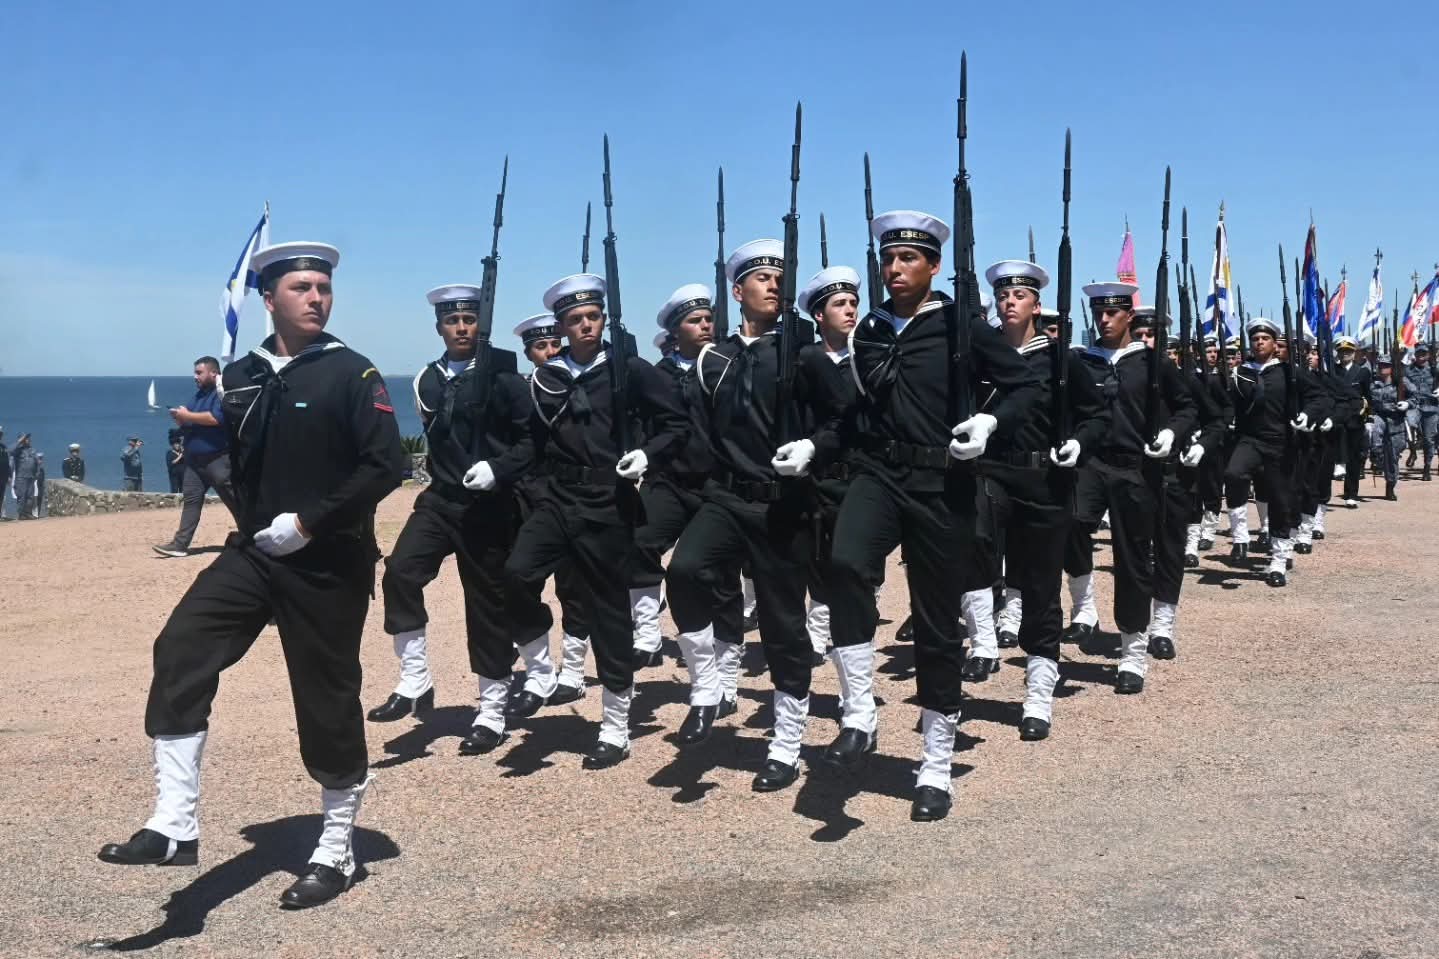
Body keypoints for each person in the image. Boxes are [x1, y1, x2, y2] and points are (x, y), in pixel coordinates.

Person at [97, 241, 406, 910]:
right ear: (269, 299)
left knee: (325, 698)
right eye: (301, 287)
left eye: (323, 287)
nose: (316, 297)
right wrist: (254, 518)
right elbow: (237, 457)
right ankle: (174, 823)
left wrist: (311, 523)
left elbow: (385, 465)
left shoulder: (353, 373)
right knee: (180, 647)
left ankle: (336, 847)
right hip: (256, 551)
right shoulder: (241, 373)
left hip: (328, 558)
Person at [826, 212, 1041, 821]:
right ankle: (860, 711)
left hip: (942, 482)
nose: (894, 270)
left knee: (936, 623)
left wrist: (989, 421)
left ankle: (935, 762)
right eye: (887, 260)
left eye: (908, 260)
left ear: (934, 267)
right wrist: (818, 447)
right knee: (843, 561)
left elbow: (1024, 385)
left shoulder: (960, 327)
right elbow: (856, 415)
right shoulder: (867, 330)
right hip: (880, 475)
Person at [665, 241, 847, 785]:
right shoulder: (712, 358)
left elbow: (842, 421)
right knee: (684, 571)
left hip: (782, 504)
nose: (771, 285)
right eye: (760, 278)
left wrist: (812, 448)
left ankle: (787, 740)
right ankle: (706, 685)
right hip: (726, 496)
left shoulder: (805, 353)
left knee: (782, 625)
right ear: (737, 291)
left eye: (779, 277)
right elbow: (701, 436)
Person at [504, 273, 685, 769]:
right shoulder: (547, 377)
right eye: (575, 320)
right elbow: (528, 443)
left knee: (608, 613)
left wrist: (647, 455)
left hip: (608, 502)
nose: (585, 325)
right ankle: (541, 672)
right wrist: (498, 469)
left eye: (592, 317)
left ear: (603, 319)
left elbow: (676, 423)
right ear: (561, 327)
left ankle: (615, 725)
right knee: (516, 575)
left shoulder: (629, 370)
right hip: (556, 499)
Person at [367, 285, 550, 758]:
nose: (462, 328)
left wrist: (499, 469)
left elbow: (531, 444)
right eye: (453, 321)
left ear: (480, 325)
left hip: (488, 506)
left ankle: (491, 710)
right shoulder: (427, 380)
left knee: (485, 605)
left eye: (470, 320)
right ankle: (415, 679)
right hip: (441, 499)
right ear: (439, 327)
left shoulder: (504, 379)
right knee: (401, 571)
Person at [958, 260, 1105, 741]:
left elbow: (1096, 414)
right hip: (991, 473)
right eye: (1002, 297)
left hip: (1044, 481)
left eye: (1018, 296)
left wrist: (1079, 442)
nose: (1008, 303)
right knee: (974, 542)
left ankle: (1038, 691)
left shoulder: (1061, 360)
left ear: (1036, 305)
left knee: (1041, 588)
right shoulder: (980, 354)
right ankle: (982, 642)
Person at [1067, 283, 1196, 691]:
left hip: (1135, 468)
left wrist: (1171, 434)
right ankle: (1085, 609)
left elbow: (1189, 407)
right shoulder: (1080, 362)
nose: (1103, 320)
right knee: (1070, 525)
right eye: (1098, 313)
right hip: (1089, 464)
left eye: (1112, 313)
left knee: (1133, 558)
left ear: (1128, 317)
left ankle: (1133, 651)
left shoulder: (1152, 362)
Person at [628, 285, 744, 676]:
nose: (706, 325)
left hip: (716, 483)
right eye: (695, 321)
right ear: (676, 330)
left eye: (709, 318)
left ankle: (727, 663)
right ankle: (646, 630)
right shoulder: (657, 374)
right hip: (668, 479)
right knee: (640, 541)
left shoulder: (728, 364)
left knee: (721, 574)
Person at [510, 313, 592, 709]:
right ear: (528, 353)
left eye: (554, 344)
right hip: (527, 495)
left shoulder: (579, 386)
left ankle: (574, 672)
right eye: (540, 347)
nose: (550, 352)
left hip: (567, 495)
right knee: (520, 580)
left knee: (573, 587)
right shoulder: (524, 391)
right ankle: (538, 669)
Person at [1224, 317, 1327, 586]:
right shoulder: (1241, 373)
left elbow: (1319, 397)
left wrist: (1307, 416)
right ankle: (1240, 535)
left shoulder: (1289, 372)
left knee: (1282, 501)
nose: (1259, 343)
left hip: (1281, 443)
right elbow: (1227, 405)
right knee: (1233, 474)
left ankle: (1278, 561)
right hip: (1250, 440)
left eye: (1265, 339)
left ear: (1274, 343)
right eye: (1255, 339)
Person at [153, 357, 243, 557]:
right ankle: (180, 544)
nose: (195, 377)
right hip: (195, 461)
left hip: (217, 459)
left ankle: (253, 536)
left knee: (235, 500)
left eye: (199, 373)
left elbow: (215, 418)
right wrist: (181, 419)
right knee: (192, 500)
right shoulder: (198, 396)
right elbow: (193, 419)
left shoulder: (221, 394)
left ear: (213, 373)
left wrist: (187, 416)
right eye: (195, 373)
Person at [1334, 336, 1372, 508]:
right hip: (1337, 418)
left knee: (1354, 458)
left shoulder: (1362, 372)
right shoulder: (1333, 371)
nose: (1344, 355)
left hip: (1355, 418)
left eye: (1348, 351)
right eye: (1341, 352)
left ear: (1354, 353)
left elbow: (1368, 396)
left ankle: (1351, 493)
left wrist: (1370, 417)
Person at [1368, 356, 1408, 500]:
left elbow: (1416, 397)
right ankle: (1377, 459)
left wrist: (1407, 404)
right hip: (1379, 417)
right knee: (1373, 436)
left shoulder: (1400, 383)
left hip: (1395, 420)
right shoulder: (1373, 383)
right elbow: (1366, 399)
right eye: (1380, 365)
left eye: (1385, 365)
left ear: (1392, 368)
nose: (1382, 368)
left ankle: (1390, 486)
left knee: (1393, 457)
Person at [1406, 343, 1437, 480]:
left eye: (1424, 354)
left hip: (1431, 408)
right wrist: (1410, 386)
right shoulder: (1409, 369)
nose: (1421, 357)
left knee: (1428, 440)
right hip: (1415, 406)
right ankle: (1413, 451)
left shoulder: (1434, 369)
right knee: (1408, 428)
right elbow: (1401, 379)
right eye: (1419, 354)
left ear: (1428, 355)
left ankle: (1427, 467)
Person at [11, 433, 40, 520]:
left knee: (30, 496)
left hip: (31, 476)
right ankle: (21, 514)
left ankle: (28, 513)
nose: (27, 440)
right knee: (22, 496)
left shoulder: (32, 450)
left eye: (28, 439)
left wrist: (37, 472)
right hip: (21, 477)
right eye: (25, 439)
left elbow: (36, 462)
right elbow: (10, 450)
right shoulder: (17, 450)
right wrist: (19, 442)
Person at [32, 453, 46, 518]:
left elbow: (42, 480)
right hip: (33, 487)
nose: (40, 461)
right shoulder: (32, 469)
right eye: (39, 459)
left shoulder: (42, 469)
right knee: (33, 501)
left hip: (40, 487)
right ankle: (33, 515)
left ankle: (37, 515)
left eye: (41, 459)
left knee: (39, 500)